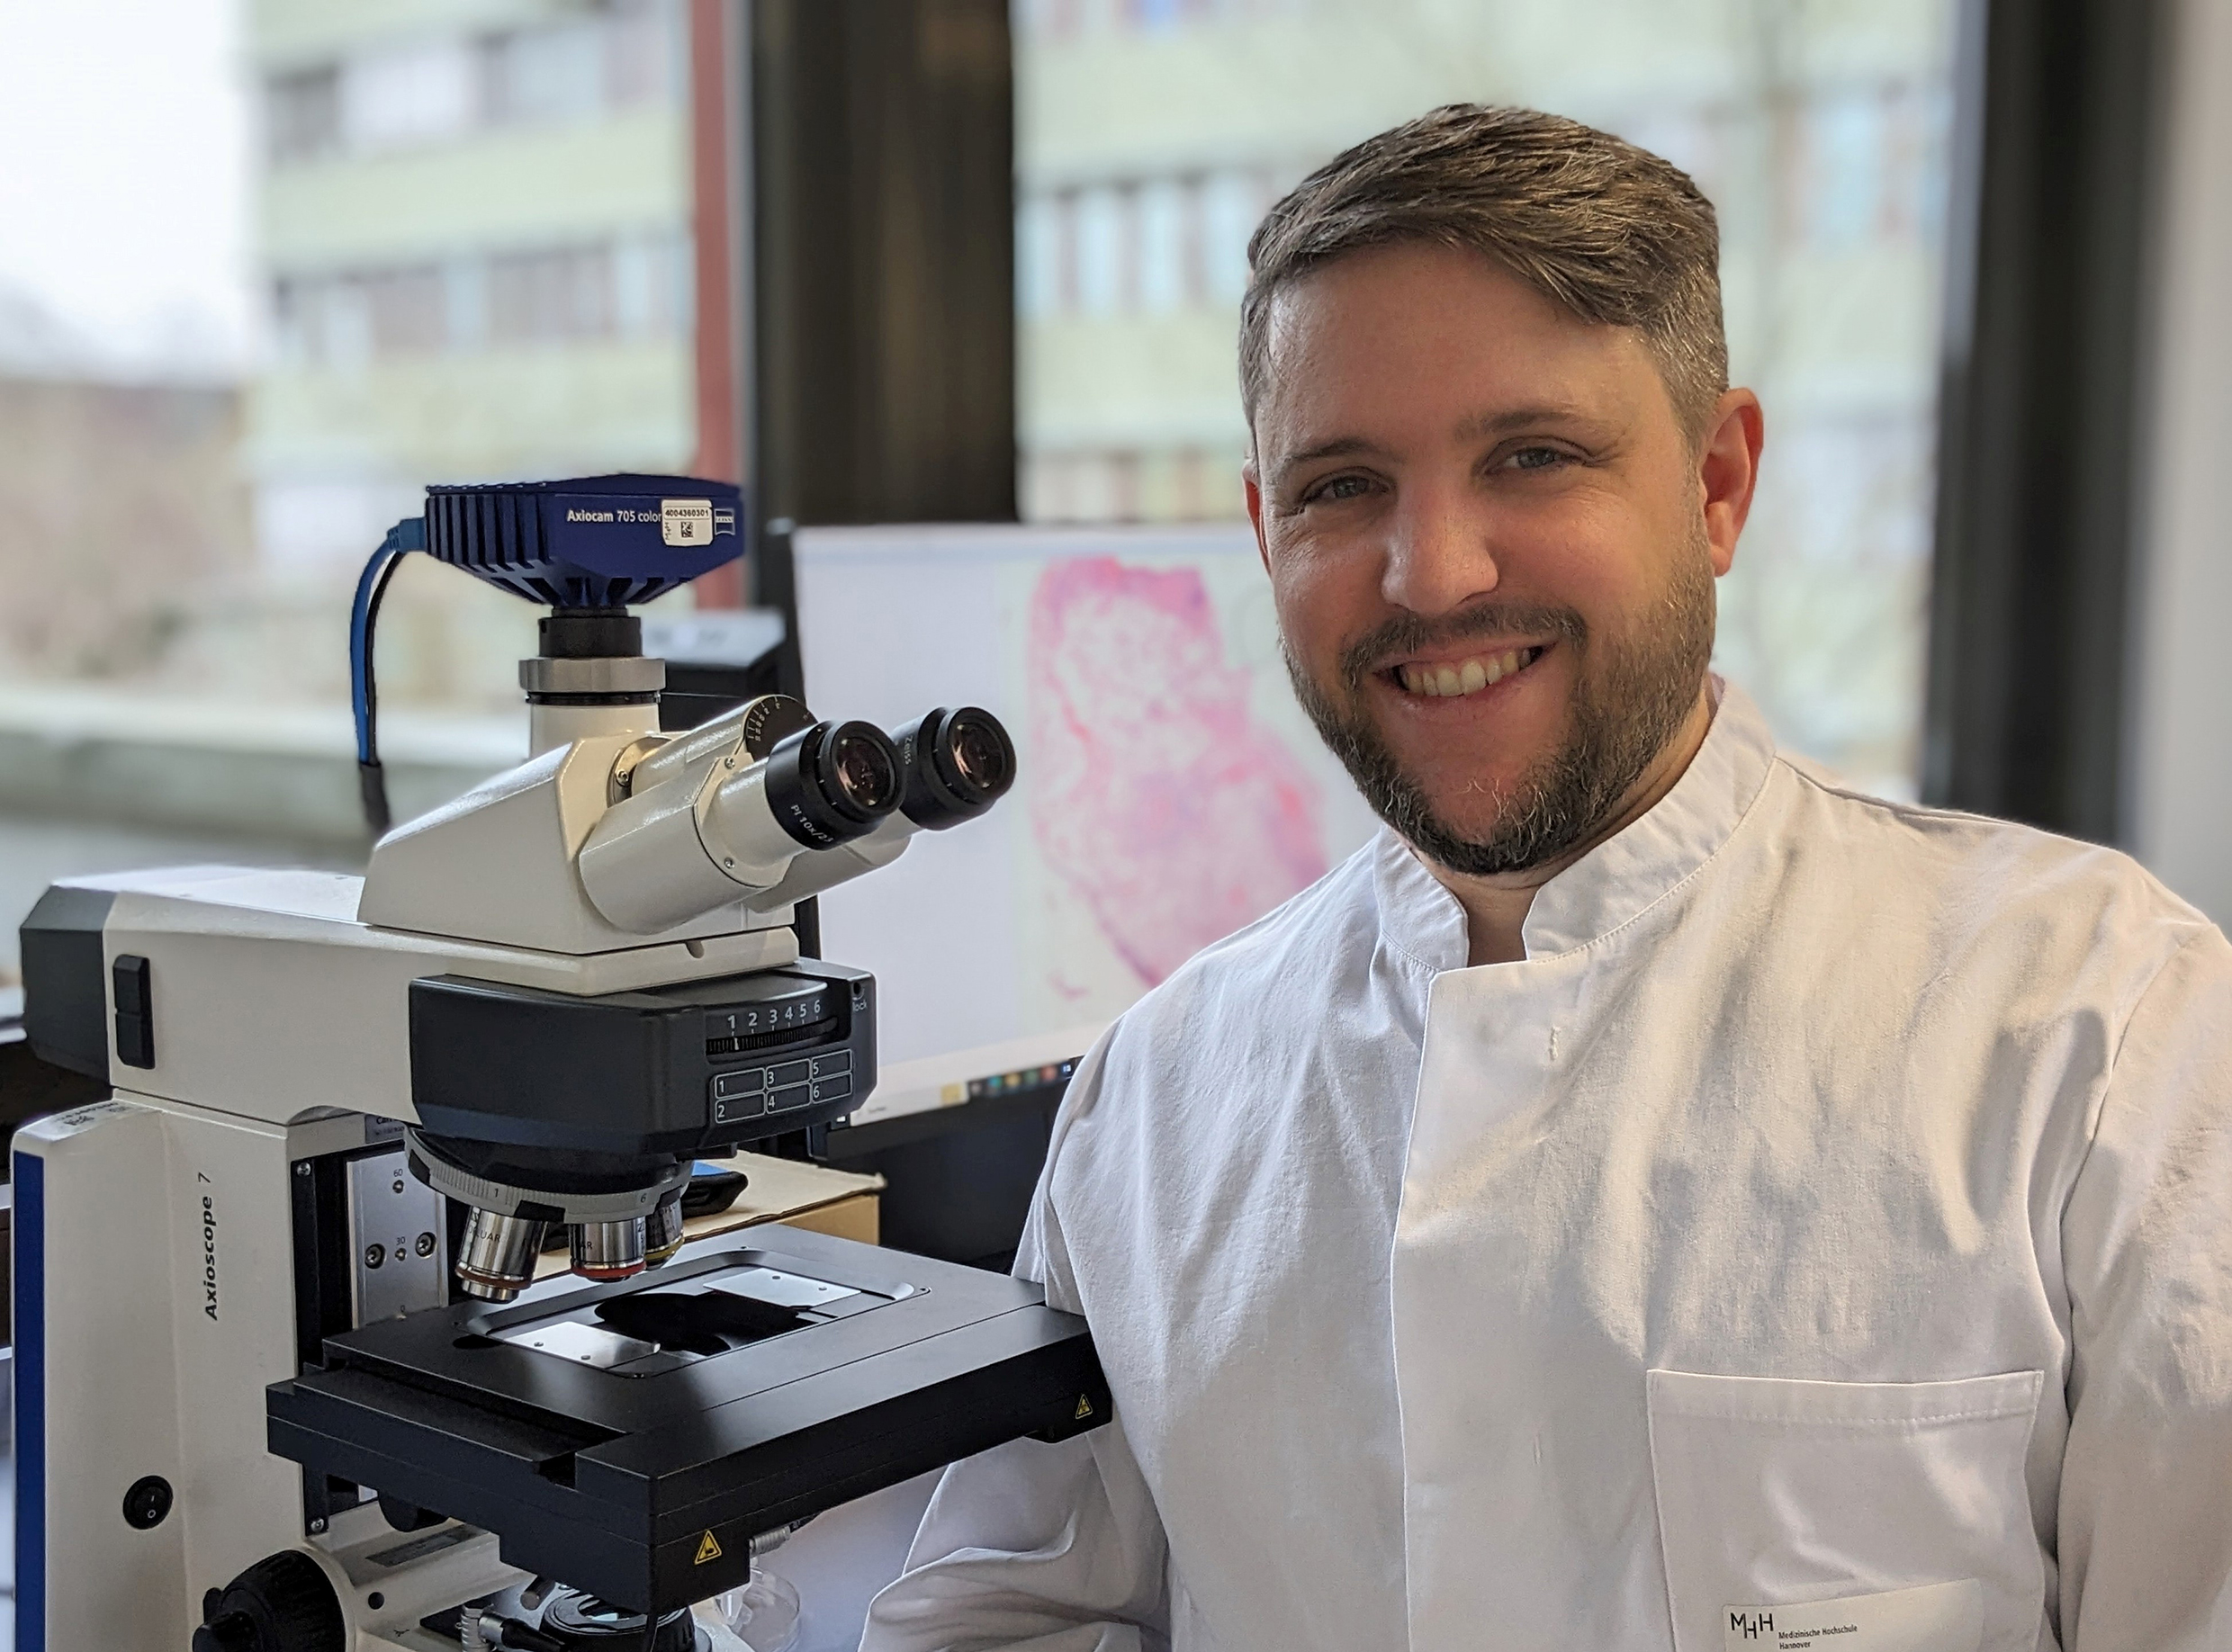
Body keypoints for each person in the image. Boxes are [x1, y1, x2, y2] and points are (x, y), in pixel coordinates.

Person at [860, 105, 2232, 1651]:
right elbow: (1012, 1614)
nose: (1433, 573)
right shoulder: (1157, 1096)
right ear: (1263, 533)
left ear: (1718, 487)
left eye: (1536, 456)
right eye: (1340, 487)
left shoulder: (2103, 1034)